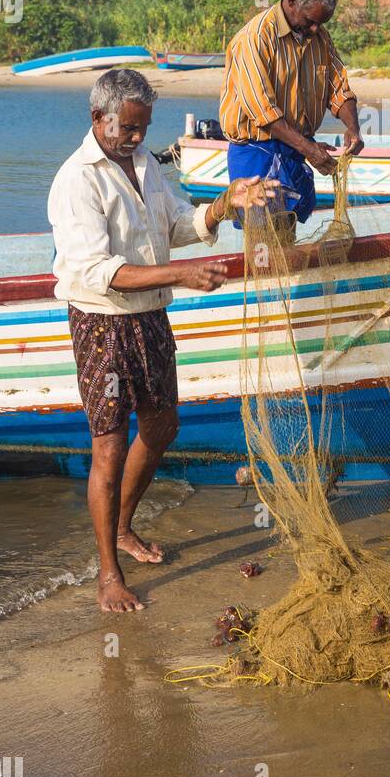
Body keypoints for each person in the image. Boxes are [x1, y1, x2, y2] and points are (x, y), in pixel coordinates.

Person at [48, 68, 276, 613]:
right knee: (108, 445)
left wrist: (226, 203)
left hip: (150, 317)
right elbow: (100, 271)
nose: (135, 136)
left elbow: (176, 225)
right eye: (127, 127)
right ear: (97, 118)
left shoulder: (146, 163)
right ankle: (108, 573)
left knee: (162, 424)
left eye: (143, 126)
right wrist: (179, 275)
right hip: (104, 323)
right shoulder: (78, 180)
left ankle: (123, 527)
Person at [219, 0, 363, 241]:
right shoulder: (256, 38)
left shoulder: (319, 38)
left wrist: (353, 128)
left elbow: (339, 89)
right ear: (292, 2)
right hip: (256, 152)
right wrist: (309, 149)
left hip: (292, 147)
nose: (315, 29)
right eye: (310, 21)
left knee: (286, 234)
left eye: (322, 23)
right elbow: (265, 114)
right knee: (263, 243)